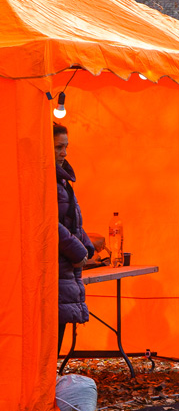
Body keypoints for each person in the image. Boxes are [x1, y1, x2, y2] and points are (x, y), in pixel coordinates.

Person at [54, 123, 93, 353]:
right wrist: (78, 252)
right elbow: (49, 222)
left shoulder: (62, 179)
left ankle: (50, 385)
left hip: (64, 268)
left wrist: (87, 248)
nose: (64, 152)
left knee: (59, 328)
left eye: (66, 146)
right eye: (59, 147)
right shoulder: (43, 177)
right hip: (54, 268)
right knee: (51, 336)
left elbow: (70, 220)